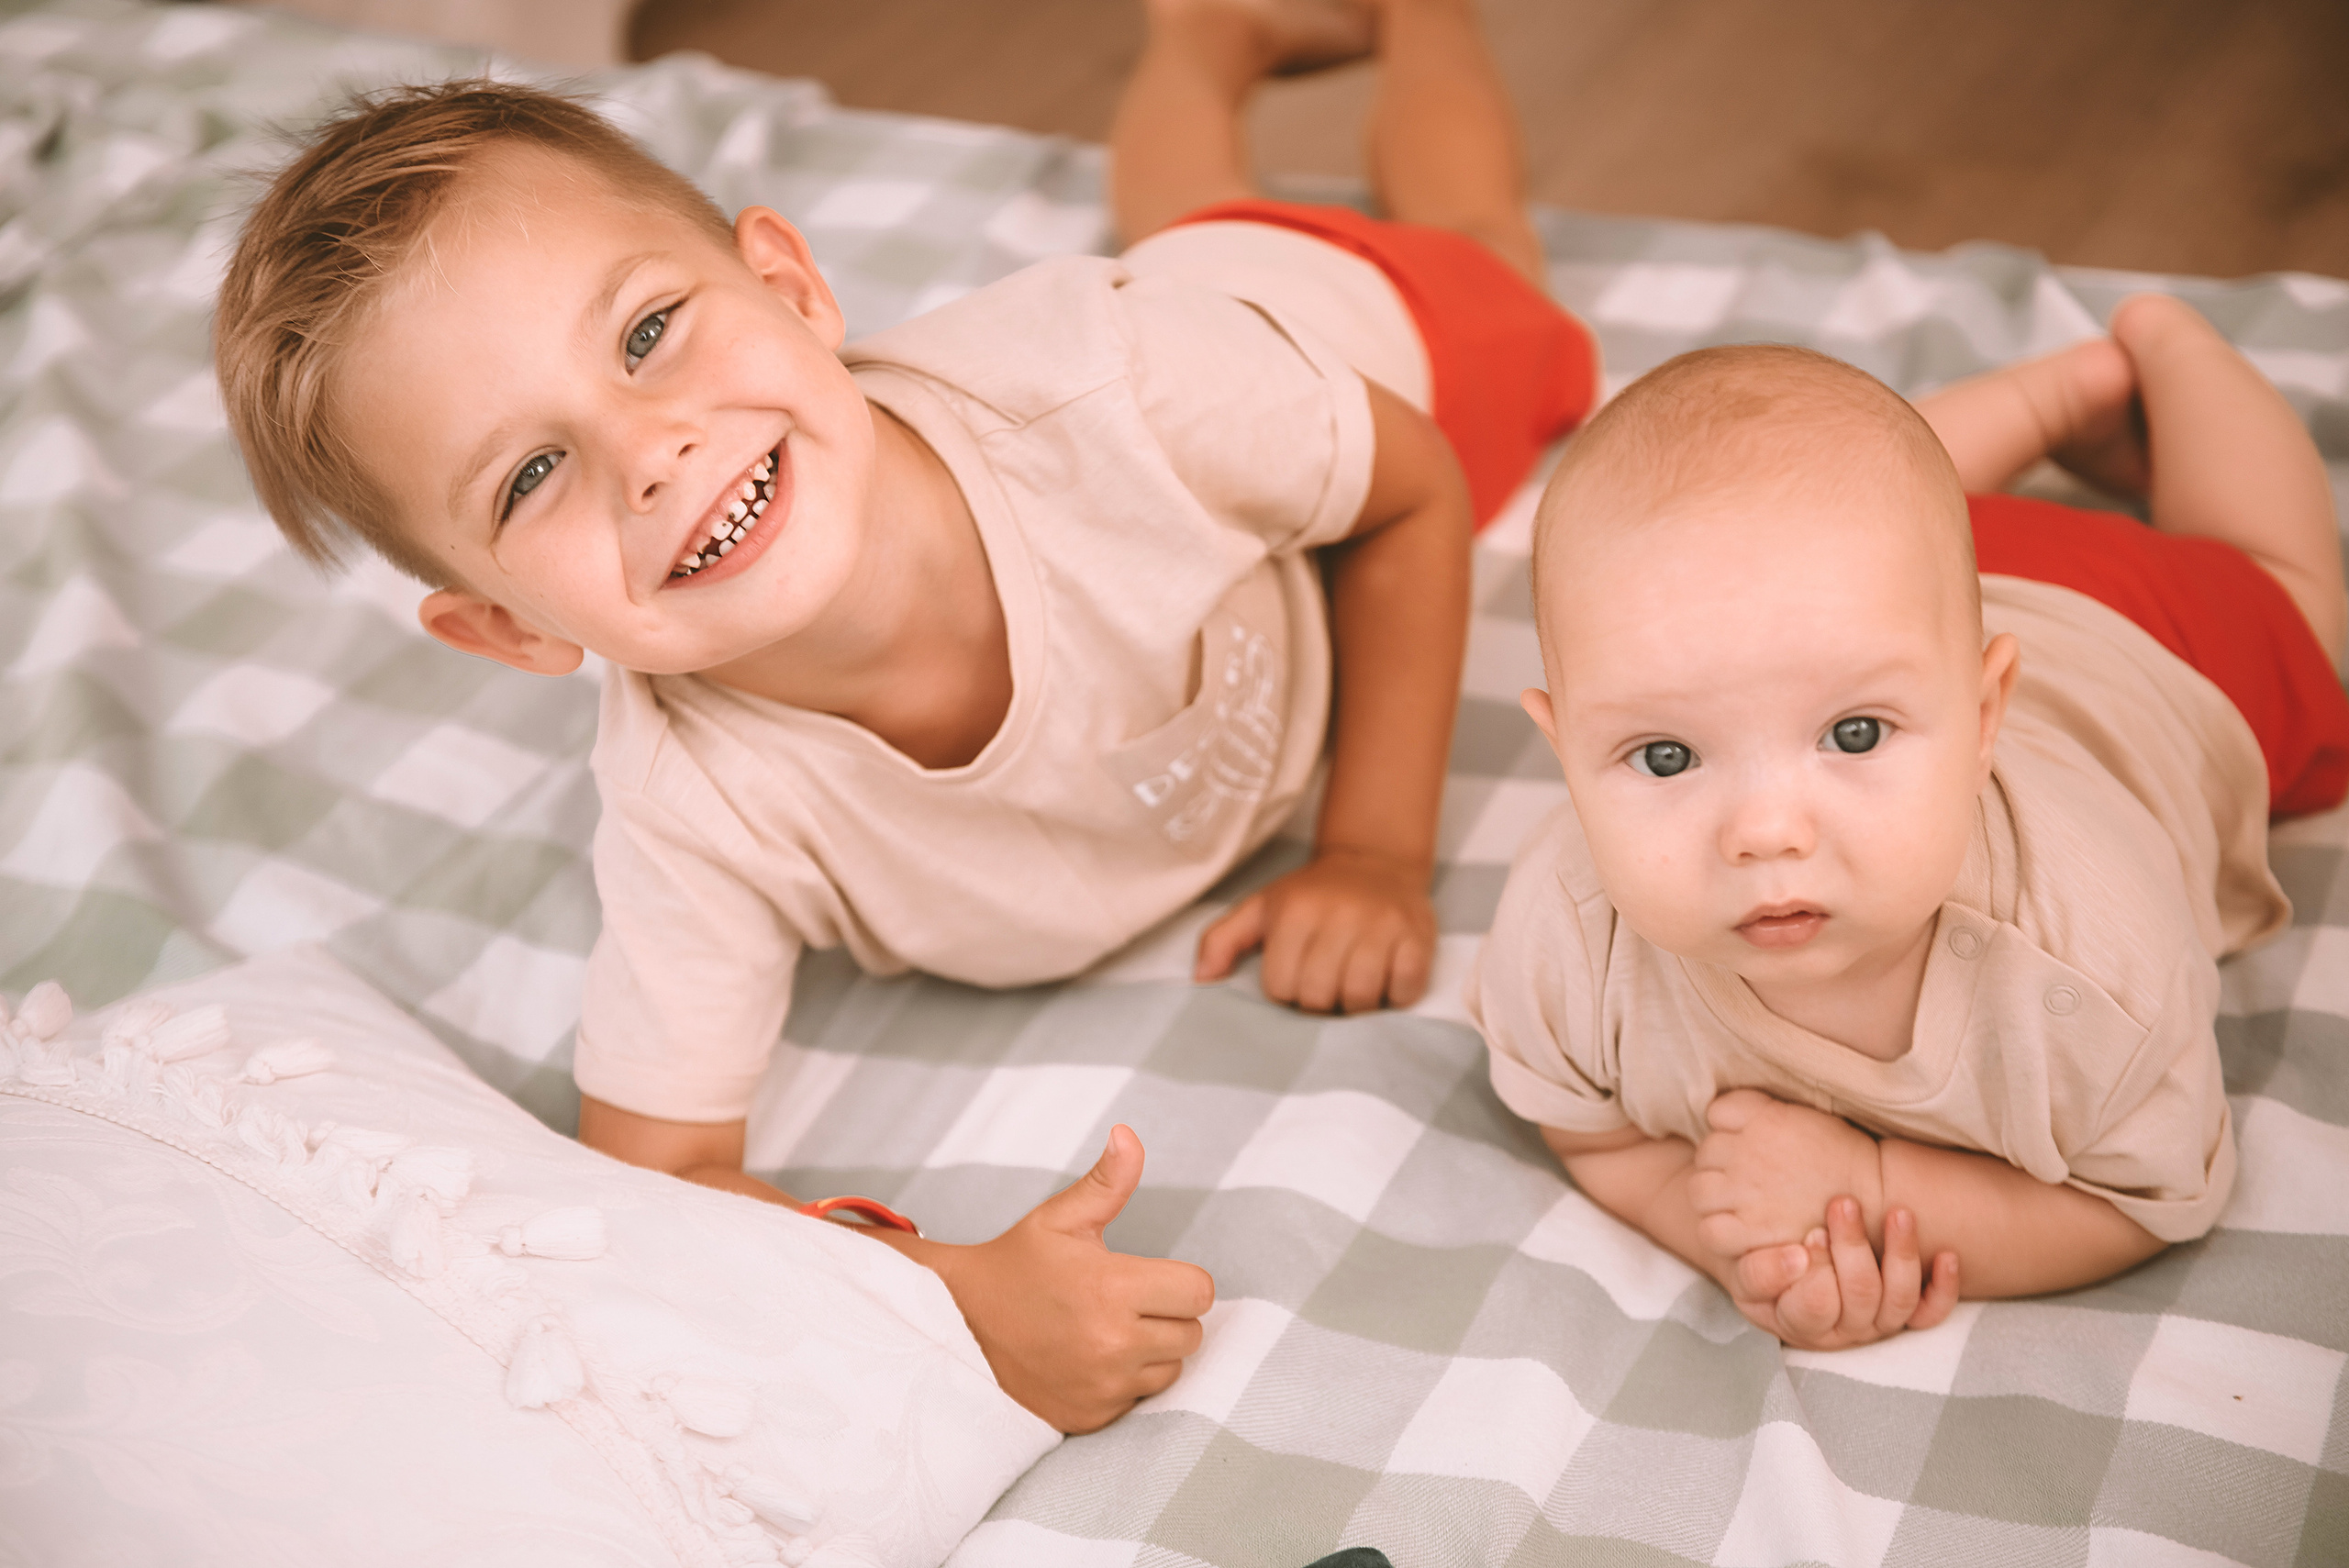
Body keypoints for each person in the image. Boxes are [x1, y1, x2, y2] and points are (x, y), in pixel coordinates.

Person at [213, 0, 1595, 1429]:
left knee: (1466, 240)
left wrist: (1371, 848)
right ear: (506, 627)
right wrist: (944, 1294)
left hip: (1316, 324)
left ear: (793, 288)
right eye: (528, 477)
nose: (650, 451)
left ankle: (1389, 23)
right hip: (1175, 297)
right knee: (1179, 227)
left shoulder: (1125, 389)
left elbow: (1412, 487)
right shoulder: (701, 806)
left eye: (648, 332)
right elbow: (660, 1170)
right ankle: (1204, 51)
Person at [1470, 296, 2349, 1351]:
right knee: (1822, 481)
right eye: (1666, 755)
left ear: (1984, 721)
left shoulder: (2090, 965)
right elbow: (1593, 1133)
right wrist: (1736, 1242)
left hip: (2140, 635)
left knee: (2288, 591)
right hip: (1861, 589)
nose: (1766, 831)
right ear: (1566, 755)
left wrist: (1875, 1185)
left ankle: (2144, 354)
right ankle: (2037, 409)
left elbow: (2149, 1199)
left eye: (1852, 737)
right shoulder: (1565, 937)